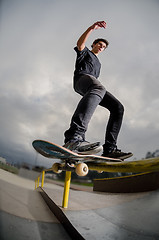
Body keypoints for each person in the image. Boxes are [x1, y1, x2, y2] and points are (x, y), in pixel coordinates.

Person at [64, 21, 132, 159]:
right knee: (99, 86)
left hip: (93, 87)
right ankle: (74, 137)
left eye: (103, 47)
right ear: (94, 44)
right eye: (99, 44)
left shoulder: (98, 64)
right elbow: (80, 44)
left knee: (118, 107)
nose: (101, 47)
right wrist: (91, 28)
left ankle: (110, 149)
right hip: (82, 79)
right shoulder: (85, 53)